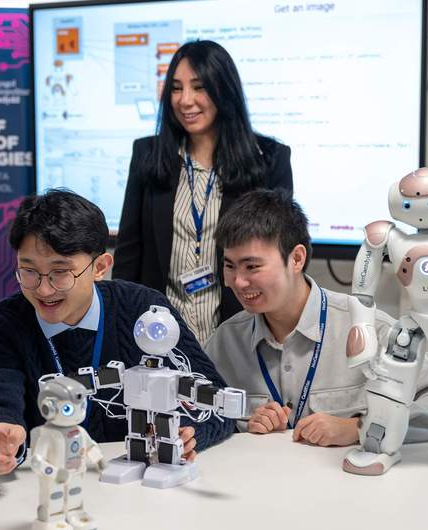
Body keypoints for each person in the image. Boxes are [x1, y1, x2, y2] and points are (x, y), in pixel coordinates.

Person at [0, 189, 233, 476]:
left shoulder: (143, 311)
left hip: (137, 484)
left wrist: (190, 433)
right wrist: (1, 437)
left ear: (101, 267)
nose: (43, 289)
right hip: (49, 482)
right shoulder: (3, 323)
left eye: (60, 273)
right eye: (28, 271)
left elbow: (215, 398)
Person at [205, 190, 428, 446]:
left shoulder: (370, 329)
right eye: (230, 266)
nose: (238, 281)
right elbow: (201, 417)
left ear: (296, 259)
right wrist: (241, 429)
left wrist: (358, 428)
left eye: (252, 266)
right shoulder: (225, 342)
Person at [113, 40, 293, 345]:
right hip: (158, 333)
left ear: (224, 90)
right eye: (176, 88)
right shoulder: (148, 154)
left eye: (199, 87)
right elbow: (129, 252)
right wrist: (120, 327)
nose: (185, 100)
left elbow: (280, 256)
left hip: (240, 336)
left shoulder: (268, 159)